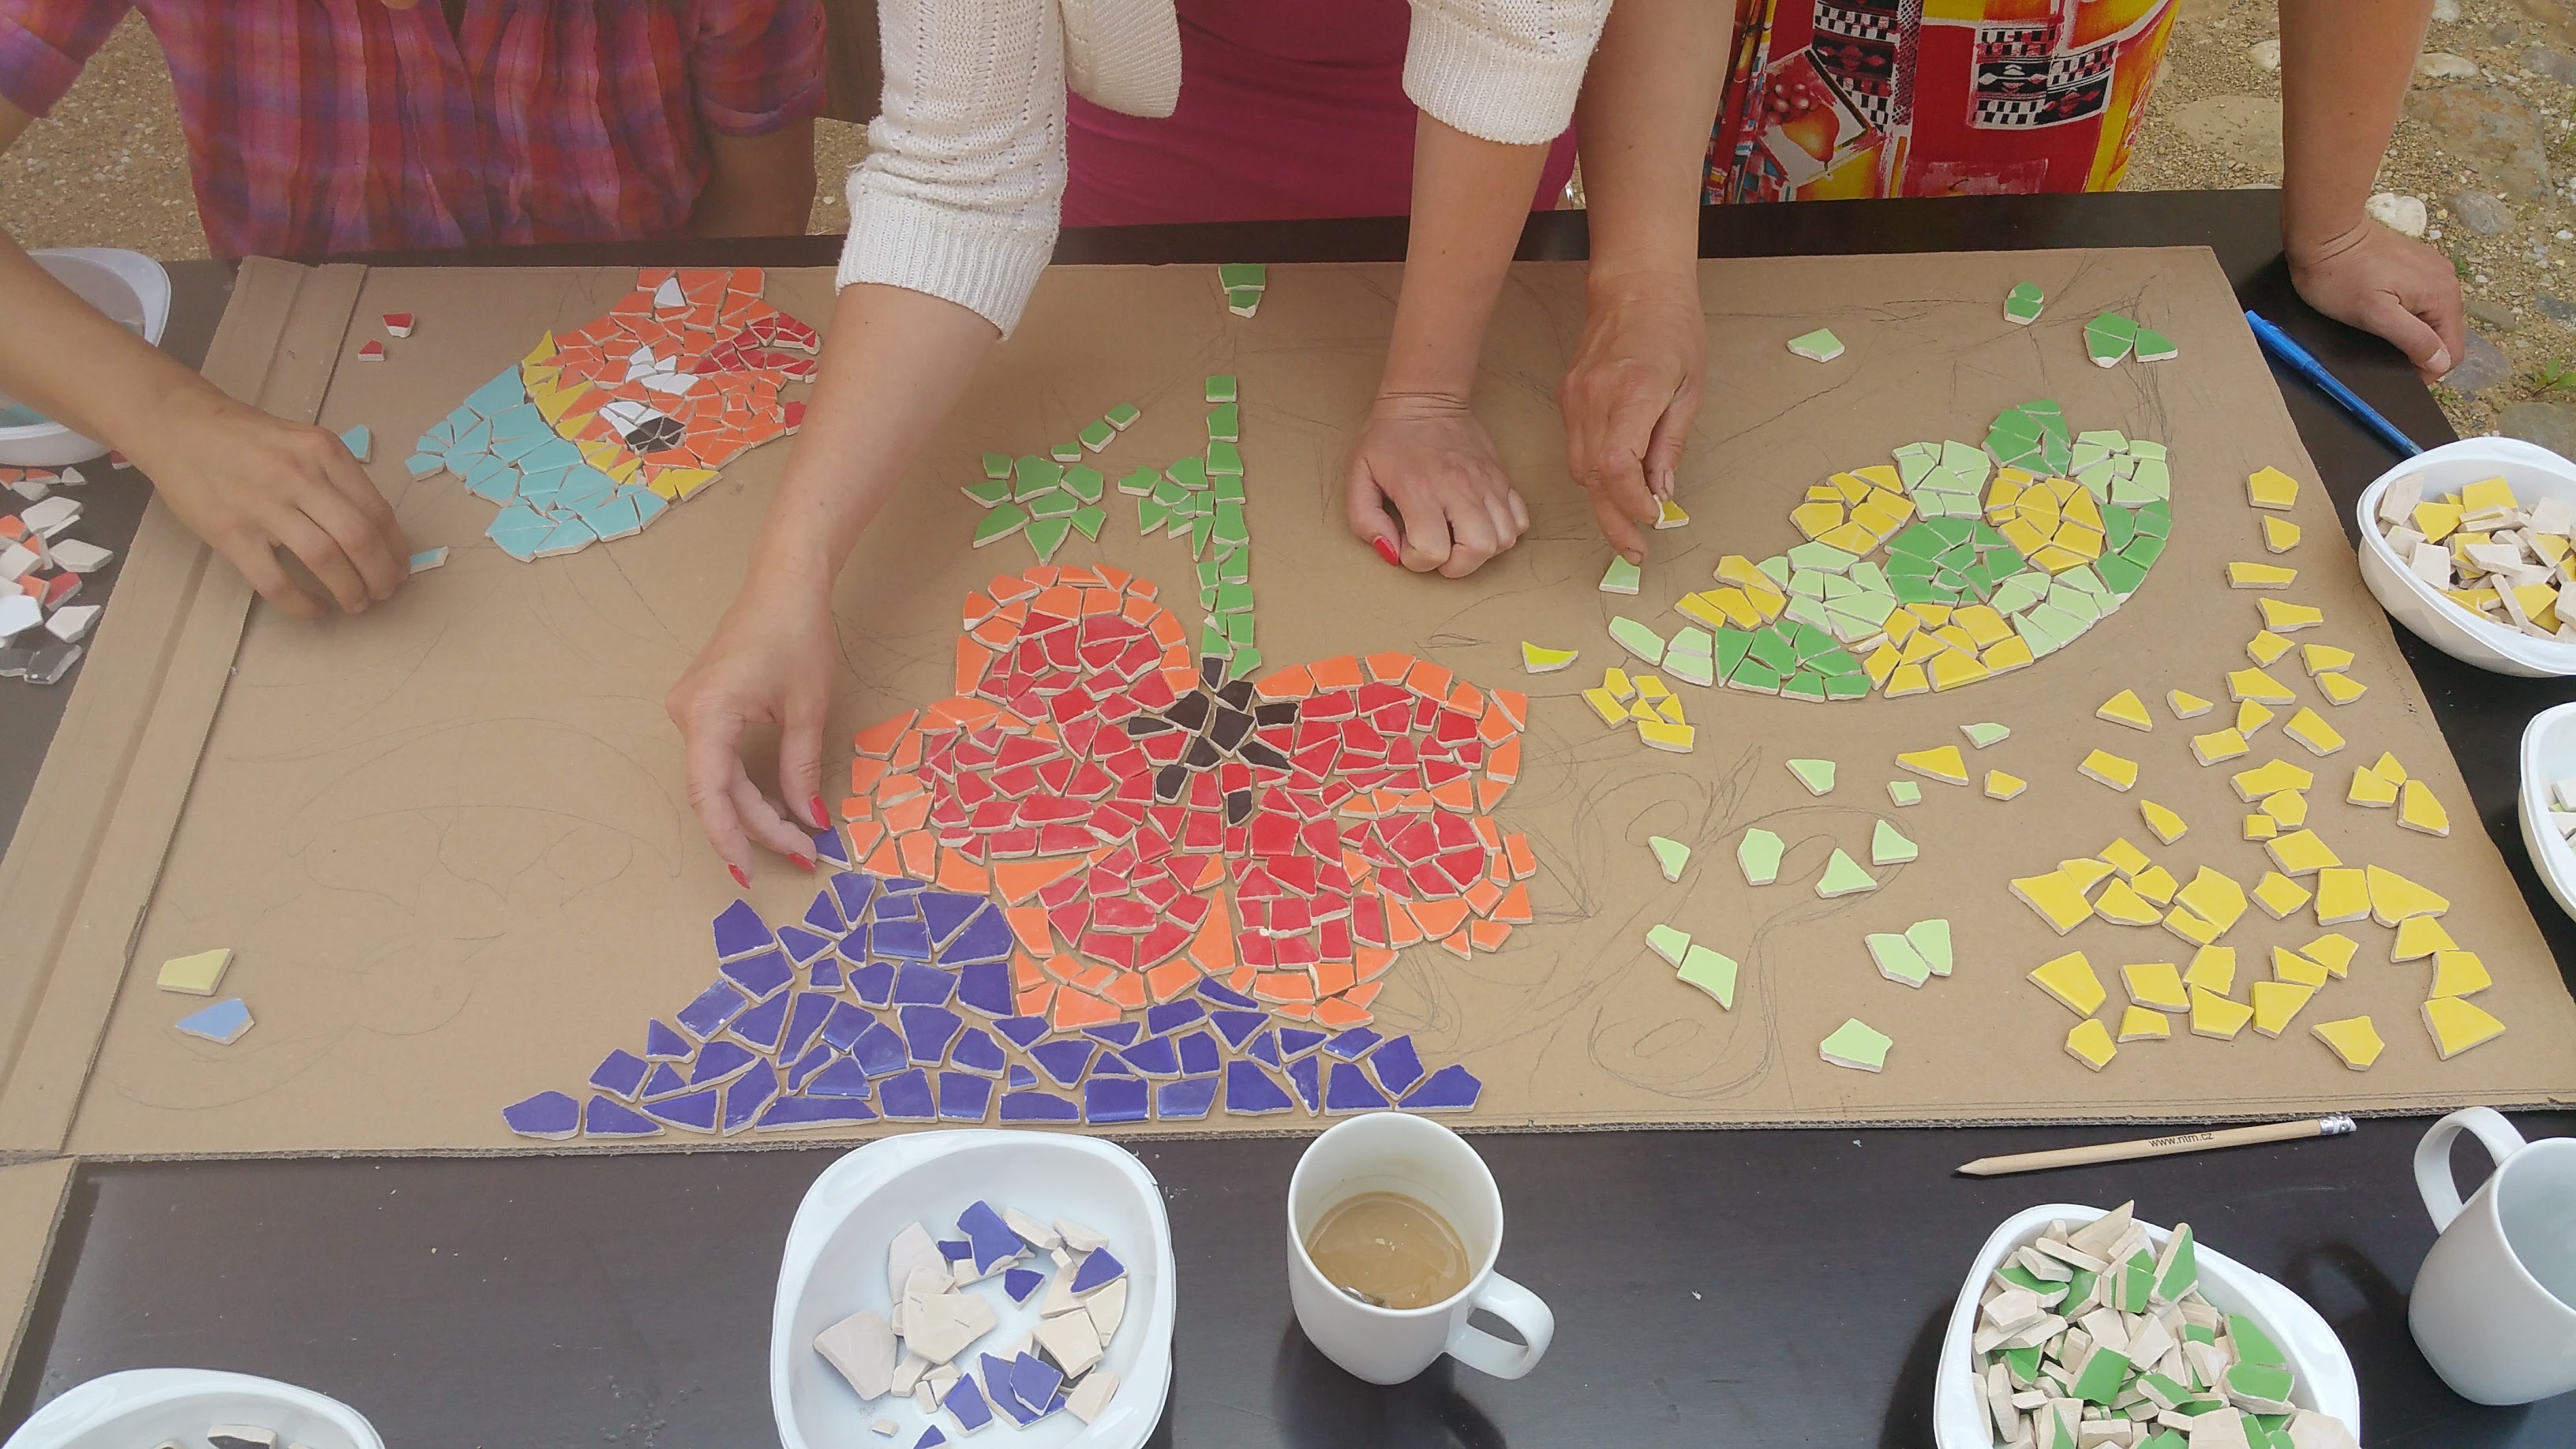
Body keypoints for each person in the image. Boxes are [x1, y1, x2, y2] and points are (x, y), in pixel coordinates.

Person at [666, 0, 1740, 882]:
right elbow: (958, 174)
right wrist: (791, 574)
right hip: (1163, 121)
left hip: (1469, 144)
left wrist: (1429, 392)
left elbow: (1511, 35)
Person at [0, 0, 826, 618]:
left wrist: (672, 384)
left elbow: (761, 207)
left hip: (633, 376)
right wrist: (173, 421)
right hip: (297, 360)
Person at [1700, 0, 2464, 380]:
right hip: (1725, 51)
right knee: (1741, 322)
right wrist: (1649, 275)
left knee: (2003, 318)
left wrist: (2335, 232)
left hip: (2037, 58)